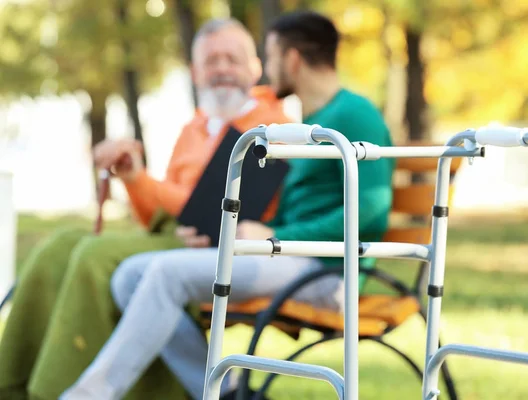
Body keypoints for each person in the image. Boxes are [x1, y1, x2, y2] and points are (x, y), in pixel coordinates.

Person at [60, 10, 394, 400]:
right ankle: (229, 391)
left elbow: (372, 209)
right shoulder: (315, 119)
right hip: (291, 259)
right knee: (129, 277)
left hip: (328, 273)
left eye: (269, 58)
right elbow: (298, 206)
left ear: (292, 59)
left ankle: (87, 395)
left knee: (166, 273)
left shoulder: (355, 114)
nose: (267, 71)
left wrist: (276, 235)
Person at [0, 18, 290, 400]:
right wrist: (136, 180)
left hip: (214, 247)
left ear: (255, 68)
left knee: (94, 254)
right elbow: (155, 215)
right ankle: (11, 380)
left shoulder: (269, 128)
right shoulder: (195, 126)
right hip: (174, 234)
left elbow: (212, 209)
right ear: (195, 71)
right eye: (211, 60)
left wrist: (143, 181)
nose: (221, 69)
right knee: (59, 244)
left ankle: (51, 390)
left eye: (231, 59)